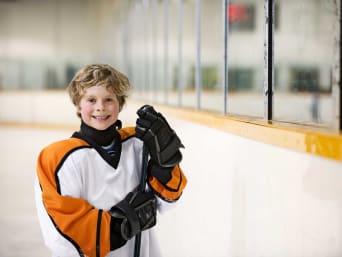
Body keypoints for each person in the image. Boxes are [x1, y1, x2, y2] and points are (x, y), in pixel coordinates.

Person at [34, 64, 187, 257]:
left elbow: (166, 203)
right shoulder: (58, 158)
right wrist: (123, 224)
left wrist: (165, 165)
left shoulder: (139, 143)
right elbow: (61, 236)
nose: (100, 107)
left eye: (109, 99)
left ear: (120, 104)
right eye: (91, 99)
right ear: (78, 105)